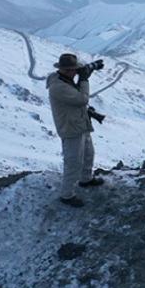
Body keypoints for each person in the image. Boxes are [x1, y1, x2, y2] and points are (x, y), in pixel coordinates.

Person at [46, 53, 103, 208]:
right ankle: (67, 194)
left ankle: (86, 179)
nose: (76, 72)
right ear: (65, 70)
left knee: (88, 154)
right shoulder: (58, 86)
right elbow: (82, 99)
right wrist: (84, 79)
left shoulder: (66, 80)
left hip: (79, 123)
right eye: (74, 69)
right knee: (73, 162)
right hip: (70, 128)